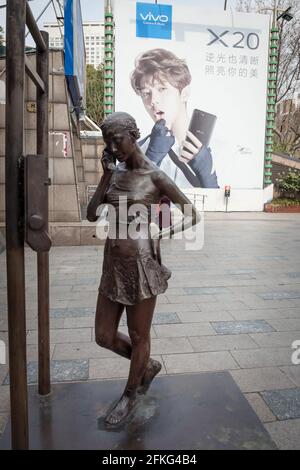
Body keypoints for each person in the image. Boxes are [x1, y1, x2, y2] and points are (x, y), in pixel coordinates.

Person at [87, 112, 200, 426]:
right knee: (104, 335)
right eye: (107, 141)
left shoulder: (155, 176)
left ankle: (129, 394)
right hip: (112, 264)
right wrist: (105, 175)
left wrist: (162, 234)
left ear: (133, 135)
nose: (113, 146)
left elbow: (193, 215)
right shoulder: (114, 172)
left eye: (117, 139)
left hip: (142, 265)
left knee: (139, 335)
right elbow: (92, 214)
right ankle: (146, 367)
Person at [131, 48, 219, 189]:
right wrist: (149, 161)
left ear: (184, 93)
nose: (153, 101)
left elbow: (234, 208)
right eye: (146, 93)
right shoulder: (138, 151)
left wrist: (209, 179)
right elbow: (119, 206)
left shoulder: (222, 151)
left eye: (162, 89)